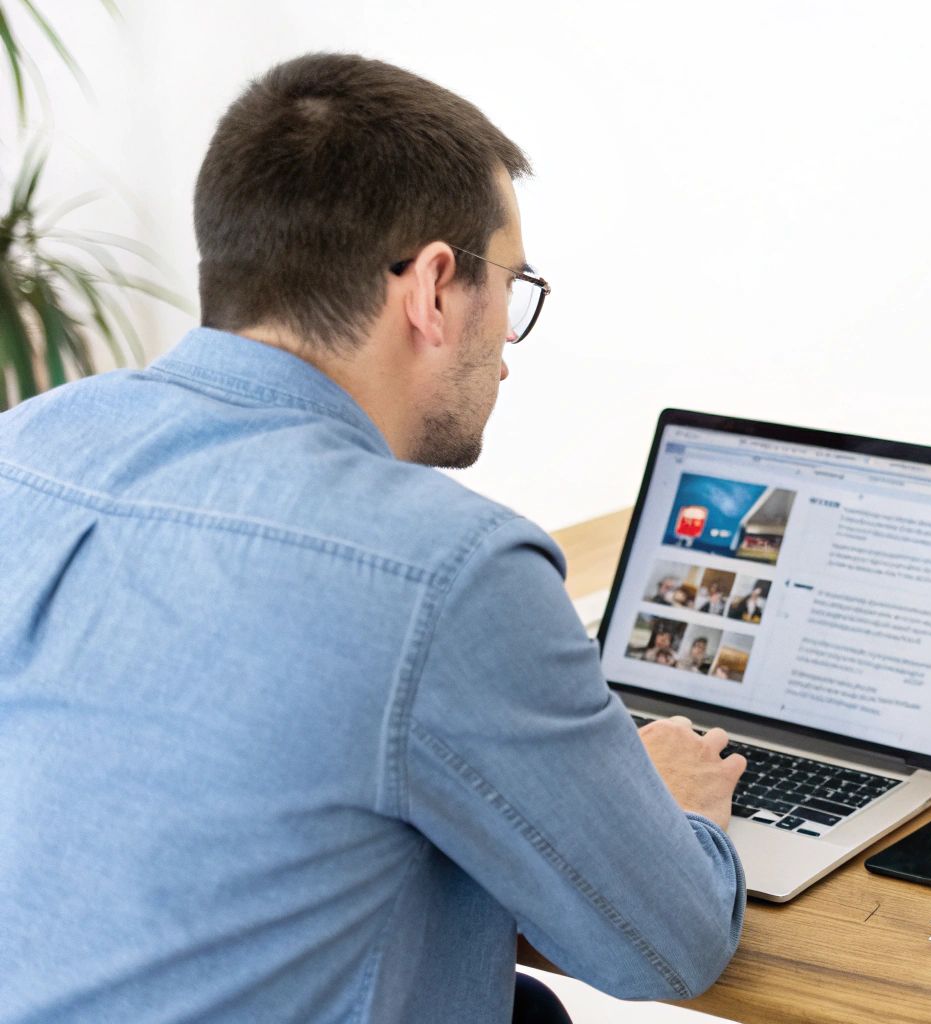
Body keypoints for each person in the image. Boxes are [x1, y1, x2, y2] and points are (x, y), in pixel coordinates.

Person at [0, 54, 746, 1023]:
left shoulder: (24, 447)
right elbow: (669, 941)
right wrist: (672, 805)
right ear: (434, 286)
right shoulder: (446, 570)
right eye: (512, 287)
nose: (507, 353)